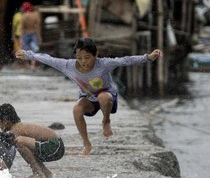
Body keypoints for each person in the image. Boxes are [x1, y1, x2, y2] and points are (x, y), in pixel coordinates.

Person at [15, 37, 162, 156]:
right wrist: (28, 55)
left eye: (87, 57)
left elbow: (125, 60)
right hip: (89, 100)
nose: (83, 62)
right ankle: (87, 144)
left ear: (95, 54)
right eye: (79, 58)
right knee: (76, 109)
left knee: (103, 97)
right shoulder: (68, 66)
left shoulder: (104, 64)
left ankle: (106, 121)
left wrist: (148, 57)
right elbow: (48, 59)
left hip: (108, 98)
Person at [0, 103, 64, 178]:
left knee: (18, 141)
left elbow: (5, 143)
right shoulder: (20, 127)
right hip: (57, 146)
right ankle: (46, 173)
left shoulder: (16, 130)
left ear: (5, 121)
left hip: (54, 146)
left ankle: (38, 174)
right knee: (26, 146)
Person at [19, 2, 42, 71]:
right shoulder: (35, 15)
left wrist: (21, 38)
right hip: (33, 33)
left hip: (26, 34)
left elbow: (22, 28)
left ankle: (27, 65)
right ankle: (33, 65)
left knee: (25, 50)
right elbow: (37, 27)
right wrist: (39, 36)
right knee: (34, 50)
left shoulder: (23, 16)